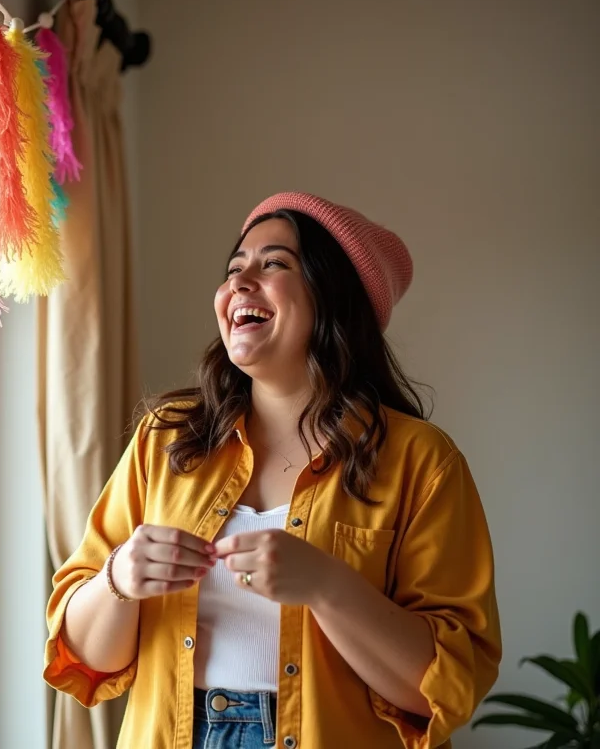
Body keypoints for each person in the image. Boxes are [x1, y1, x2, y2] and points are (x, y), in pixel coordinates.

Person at [43, 192, 502, 749]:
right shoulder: (164, 439)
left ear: (334, 294)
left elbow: (445, 687)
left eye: (274, 263)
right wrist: (118, 578)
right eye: (234, 268)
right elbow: (83, 657)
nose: (239, 282)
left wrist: (327, 585)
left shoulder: (423, 463)